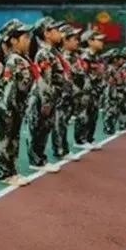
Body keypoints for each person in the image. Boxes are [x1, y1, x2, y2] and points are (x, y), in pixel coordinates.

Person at [0, 19, 34, 187]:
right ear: (13, 40)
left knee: (13, 140)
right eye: (25, 37)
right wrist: (7, 109)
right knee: (3, 141)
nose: (28, 40)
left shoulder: (22, 58)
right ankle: (5, 174)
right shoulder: (14, 60)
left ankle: (12, 171)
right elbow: (10, 87)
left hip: (16, 106)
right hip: (6, 106)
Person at [25, 17, 66, 173]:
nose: (60, 33)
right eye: (56, 30)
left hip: (51, 96)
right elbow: (44, 80)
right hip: (43, 97)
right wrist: (46, 101)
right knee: (39, 129)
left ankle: (39, 158)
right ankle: (37, 160)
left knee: (44, 128)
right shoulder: (44, 54)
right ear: (46, 33)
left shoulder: (53, 52)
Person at [51, 25, 81, 161]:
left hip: (70, 95)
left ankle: (63, 148)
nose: (77, 42)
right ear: (65, 40)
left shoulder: (74, 56)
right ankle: (60, 150)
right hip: (62, 95)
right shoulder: (61, 56)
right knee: (60, 122)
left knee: (63, 122)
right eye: (74, 39)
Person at [74, 28, 106, 149]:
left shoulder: (97, 57)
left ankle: (89, 138)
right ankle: (80, 140)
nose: (102, 42)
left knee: (93, 116)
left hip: (95, 91)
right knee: (83, 115)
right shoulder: (85, 57)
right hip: (86, 92)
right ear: (90, 41)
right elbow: (82, 76)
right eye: (99, 40)